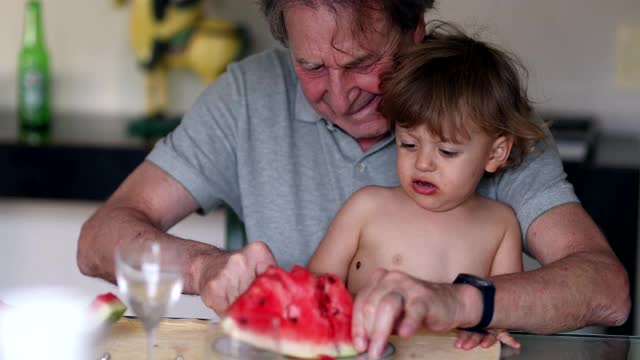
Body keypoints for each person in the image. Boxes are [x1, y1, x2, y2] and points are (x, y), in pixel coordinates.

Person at [77, 1, 630, 359]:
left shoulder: (477, 111)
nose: (338, 97)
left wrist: (459, 303)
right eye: (311, 67)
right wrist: (203, 267)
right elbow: (100, 239)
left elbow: (606, 292)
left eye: (365, 61)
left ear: (413, 28)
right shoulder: (247, 95)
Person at [307, 22, 544, 351]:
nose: (423, 163)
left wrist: (489, 330)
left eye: (446, 151)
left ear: (495, 153)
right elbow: (316, 284)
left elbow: (503, 310)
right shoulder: (367, 207)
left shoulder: (500, 224)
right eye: (407, 144)